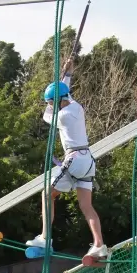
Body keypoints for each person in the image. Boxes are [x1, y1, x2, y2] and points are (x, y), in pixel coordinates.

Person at [26, 56, 106, 260]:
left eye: (51, 102)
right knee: (86, 206)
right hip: (88, 160)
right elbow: (63, 92)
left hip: (75, 159)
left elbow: (47, 116)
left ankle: (45, 237)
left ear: (55, 102)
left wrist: (65, 78)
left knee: (47, 195)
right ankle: (99, 244)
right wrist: (67, 74)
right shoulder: (77, 107)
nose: (50, 105)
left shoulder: (61, 116)